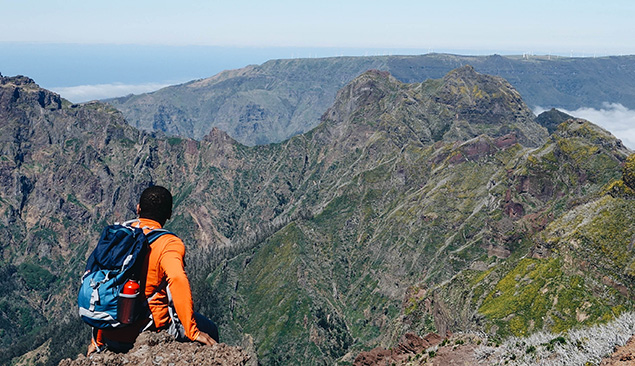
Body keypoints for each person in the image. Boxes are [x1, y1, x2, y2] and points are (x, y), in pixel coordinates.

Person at [88, 185, 218, 354]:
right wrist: (192, 331)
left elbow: (101, 284)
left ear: (138, 208)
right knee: (210, 328)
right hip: (147, 333)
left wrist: (97, 340)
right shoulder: (168, 243)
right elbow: (177, 280)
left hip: (110, 335)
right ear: (169, 215)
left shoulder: (117, 237)